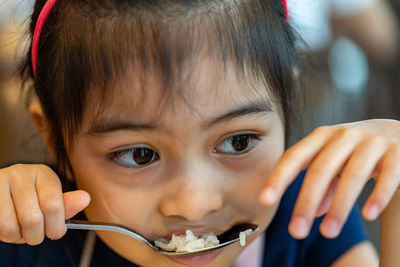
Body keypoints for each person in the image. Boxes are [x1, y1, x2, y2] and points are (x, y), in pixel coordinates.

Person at [0, 0, 399, 266]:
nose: (192, 205)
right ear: (53, 138)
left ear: (285, 109)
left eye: (237, 142)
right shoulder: (26, 237)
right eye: (139, 155)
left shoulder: (311, 216)